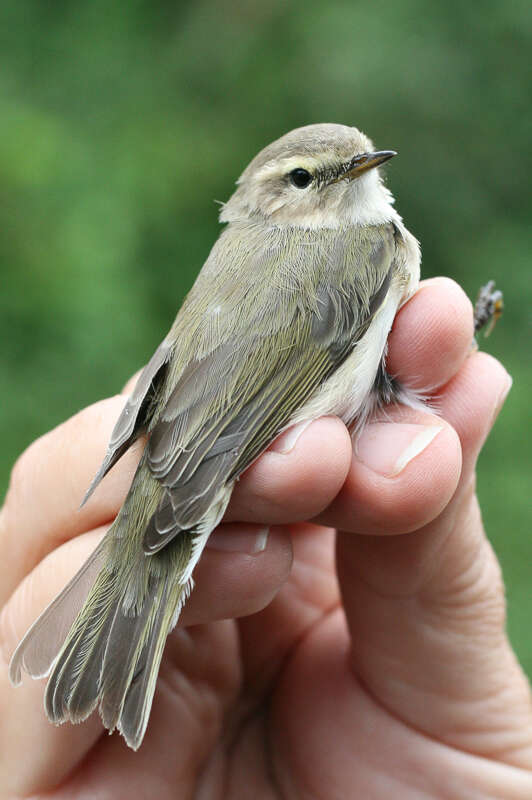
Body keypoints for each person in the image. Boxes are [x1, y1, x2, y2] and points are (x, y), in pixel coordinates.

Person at [0, 278, 530, 799]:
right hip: (220, 440)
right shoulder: (362, 245)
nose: (348, 182)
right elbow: (382, 385)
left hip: (201, 437)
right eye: (303, 180)